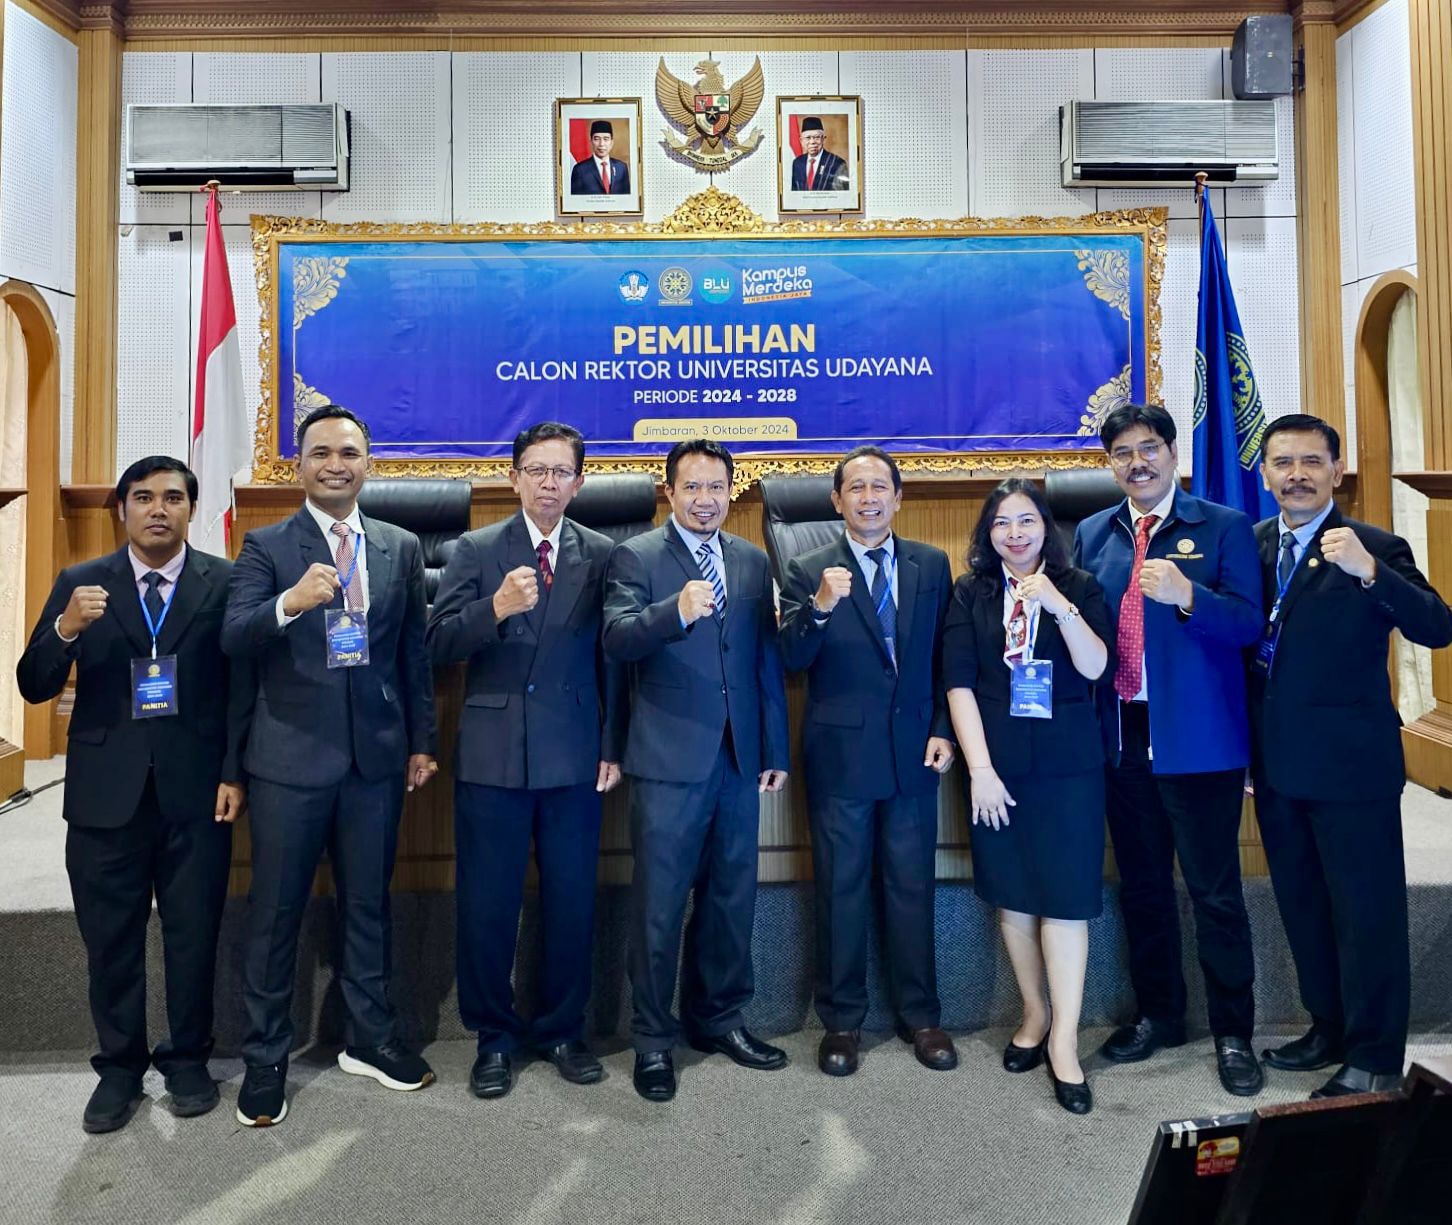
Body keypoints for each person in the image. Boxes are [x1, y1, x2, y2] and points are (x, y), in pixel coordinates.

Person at [16, 456, 252, 1133]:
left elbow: (241, 692)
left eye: (173, 497)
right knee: (110, 938)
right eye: (142, 496)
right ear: (121, 509)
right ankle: (119, 1067)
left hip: (196, 792)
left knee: (192, 933)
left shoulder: (225, 581)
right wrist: (64, 629)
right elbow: (33, 683)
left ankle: (186, 1059)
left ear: (189, 509)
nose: (158, 508)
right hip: (103, 794)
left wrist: (233, 772)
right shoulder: (82, 582)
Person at [222, 404, 438, 1128]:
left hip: (374, 759)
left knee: (369, 905)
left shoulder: (399, 546)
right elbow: (234, 637)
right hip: (289, 760)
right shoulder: (265, 545)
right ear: (300, 465)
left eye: (350, 450)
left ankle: (370, 1040)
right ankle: (265, 1060)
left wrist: (421, 740)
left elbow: (413, 653)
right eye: (321, 452)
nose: (336, 463)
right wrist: (290, 601)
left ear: (368, 462)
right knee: (278, 914)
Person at [1250, 414, 1452, 1098]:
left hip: (1352, 770)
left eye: (1312, 461)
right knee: (1304, 908)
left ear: (1337, 471)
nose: (1297, 474)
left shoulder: (1375, 545)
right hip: (1278, 769)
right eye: (1284, 462)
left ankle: (1374, 1054)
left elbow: (1436, 624)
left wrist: (1371, 575)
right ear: (1266, 472)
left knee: (1367, 916)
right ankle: (1327, 1028)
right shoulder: (1251, 547)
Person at [426, 421, 626, 1100]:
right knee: (488, 904)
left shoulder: (603, 553)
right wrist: (496, 606)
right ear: (513, 477)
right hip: (493, 756)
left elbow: (613, 659)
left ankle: (564, 1029)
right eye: (535, 470)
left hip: (574, 754)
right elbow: (436, 643)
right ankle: (494, 1036)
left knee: (572, 901)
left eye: (560, 471)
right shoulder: (474, 549)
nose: (548, 483)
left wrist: (611, 744)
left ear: (578, 481)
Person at [1073, 402, 1266, 1096]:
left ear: (1173, 451)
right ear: (1110, 463)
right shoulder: (1094, 532)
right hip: (1122, 736)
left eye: (1148, 448)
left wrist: (1190, 596)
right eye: (1122, 452)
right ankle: (1161, 1013)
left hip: (1199, 742)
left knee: (1214, 893)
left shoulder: (1224, 526)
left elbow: (1249, 624)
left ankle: (1233, 1031)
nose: (1137, 462)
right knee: (1144, 887)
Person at [603, 438, 790, 1103]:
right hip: (666, 758)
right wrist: (674, 612)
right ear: (670, 490)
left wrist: (773, 749)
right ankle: (653, 1039)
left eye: (718, 487)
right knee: (658, 906)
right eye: (693, 487)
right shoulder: (636, 555)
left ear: (731, 490)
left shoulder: (748, 558)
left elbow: (763, 662)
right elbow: (617, 638)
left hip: (739, 760)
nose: (706, 499)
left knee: (731, 899)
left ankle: (718, 1020)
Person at [778, 446, 958, 1078]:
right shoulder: (807, 569)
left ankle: (922, 1016)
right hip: (840, 758)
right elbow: (789, 661)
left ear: (899, 497)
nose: (868, 497)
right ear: (837, 501)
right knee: (841, 889)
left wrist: (945, 729)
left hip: (914, 753)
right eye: (855, 488)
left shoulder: (931, 565)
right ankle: (842, 1020)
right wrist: (820, 606)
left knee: (912, 886)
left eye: (880, 486)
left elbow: (947, 659)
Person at [942, 479, 1113, 1115]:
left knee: (1065, 899)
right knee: (1013, 894)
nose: (1015, 533)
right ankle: (1035, 1013)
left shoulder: (1082, 587)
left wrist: (1059, 606)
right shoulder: (971, 592)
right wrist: (980, 770)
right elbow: (958, 683)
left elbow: (1098, 668)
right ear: (988, 535)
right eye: (1001, 524)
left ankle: (1064, 1042)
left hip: (1070, 766)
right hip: (999, 765)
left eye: (1027, 521)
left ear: (1047, 528)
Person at [570, 120, 630, 195]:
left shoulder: (621, 167)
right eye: (597, 139)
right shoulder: (579, 170)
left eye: (606, 139)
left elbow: (626, 198)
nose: (601, 144)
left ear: (611, 143)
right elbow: (575, 201)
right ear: (591, 141)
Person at [790, 117, 849, 192]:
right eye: (808, 138)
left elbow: (844, 197)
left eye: (817, 137)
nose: (812, 142)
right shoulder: (797, 163)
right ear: (801, 141)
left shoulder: (838, 164)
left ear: (823, 139)